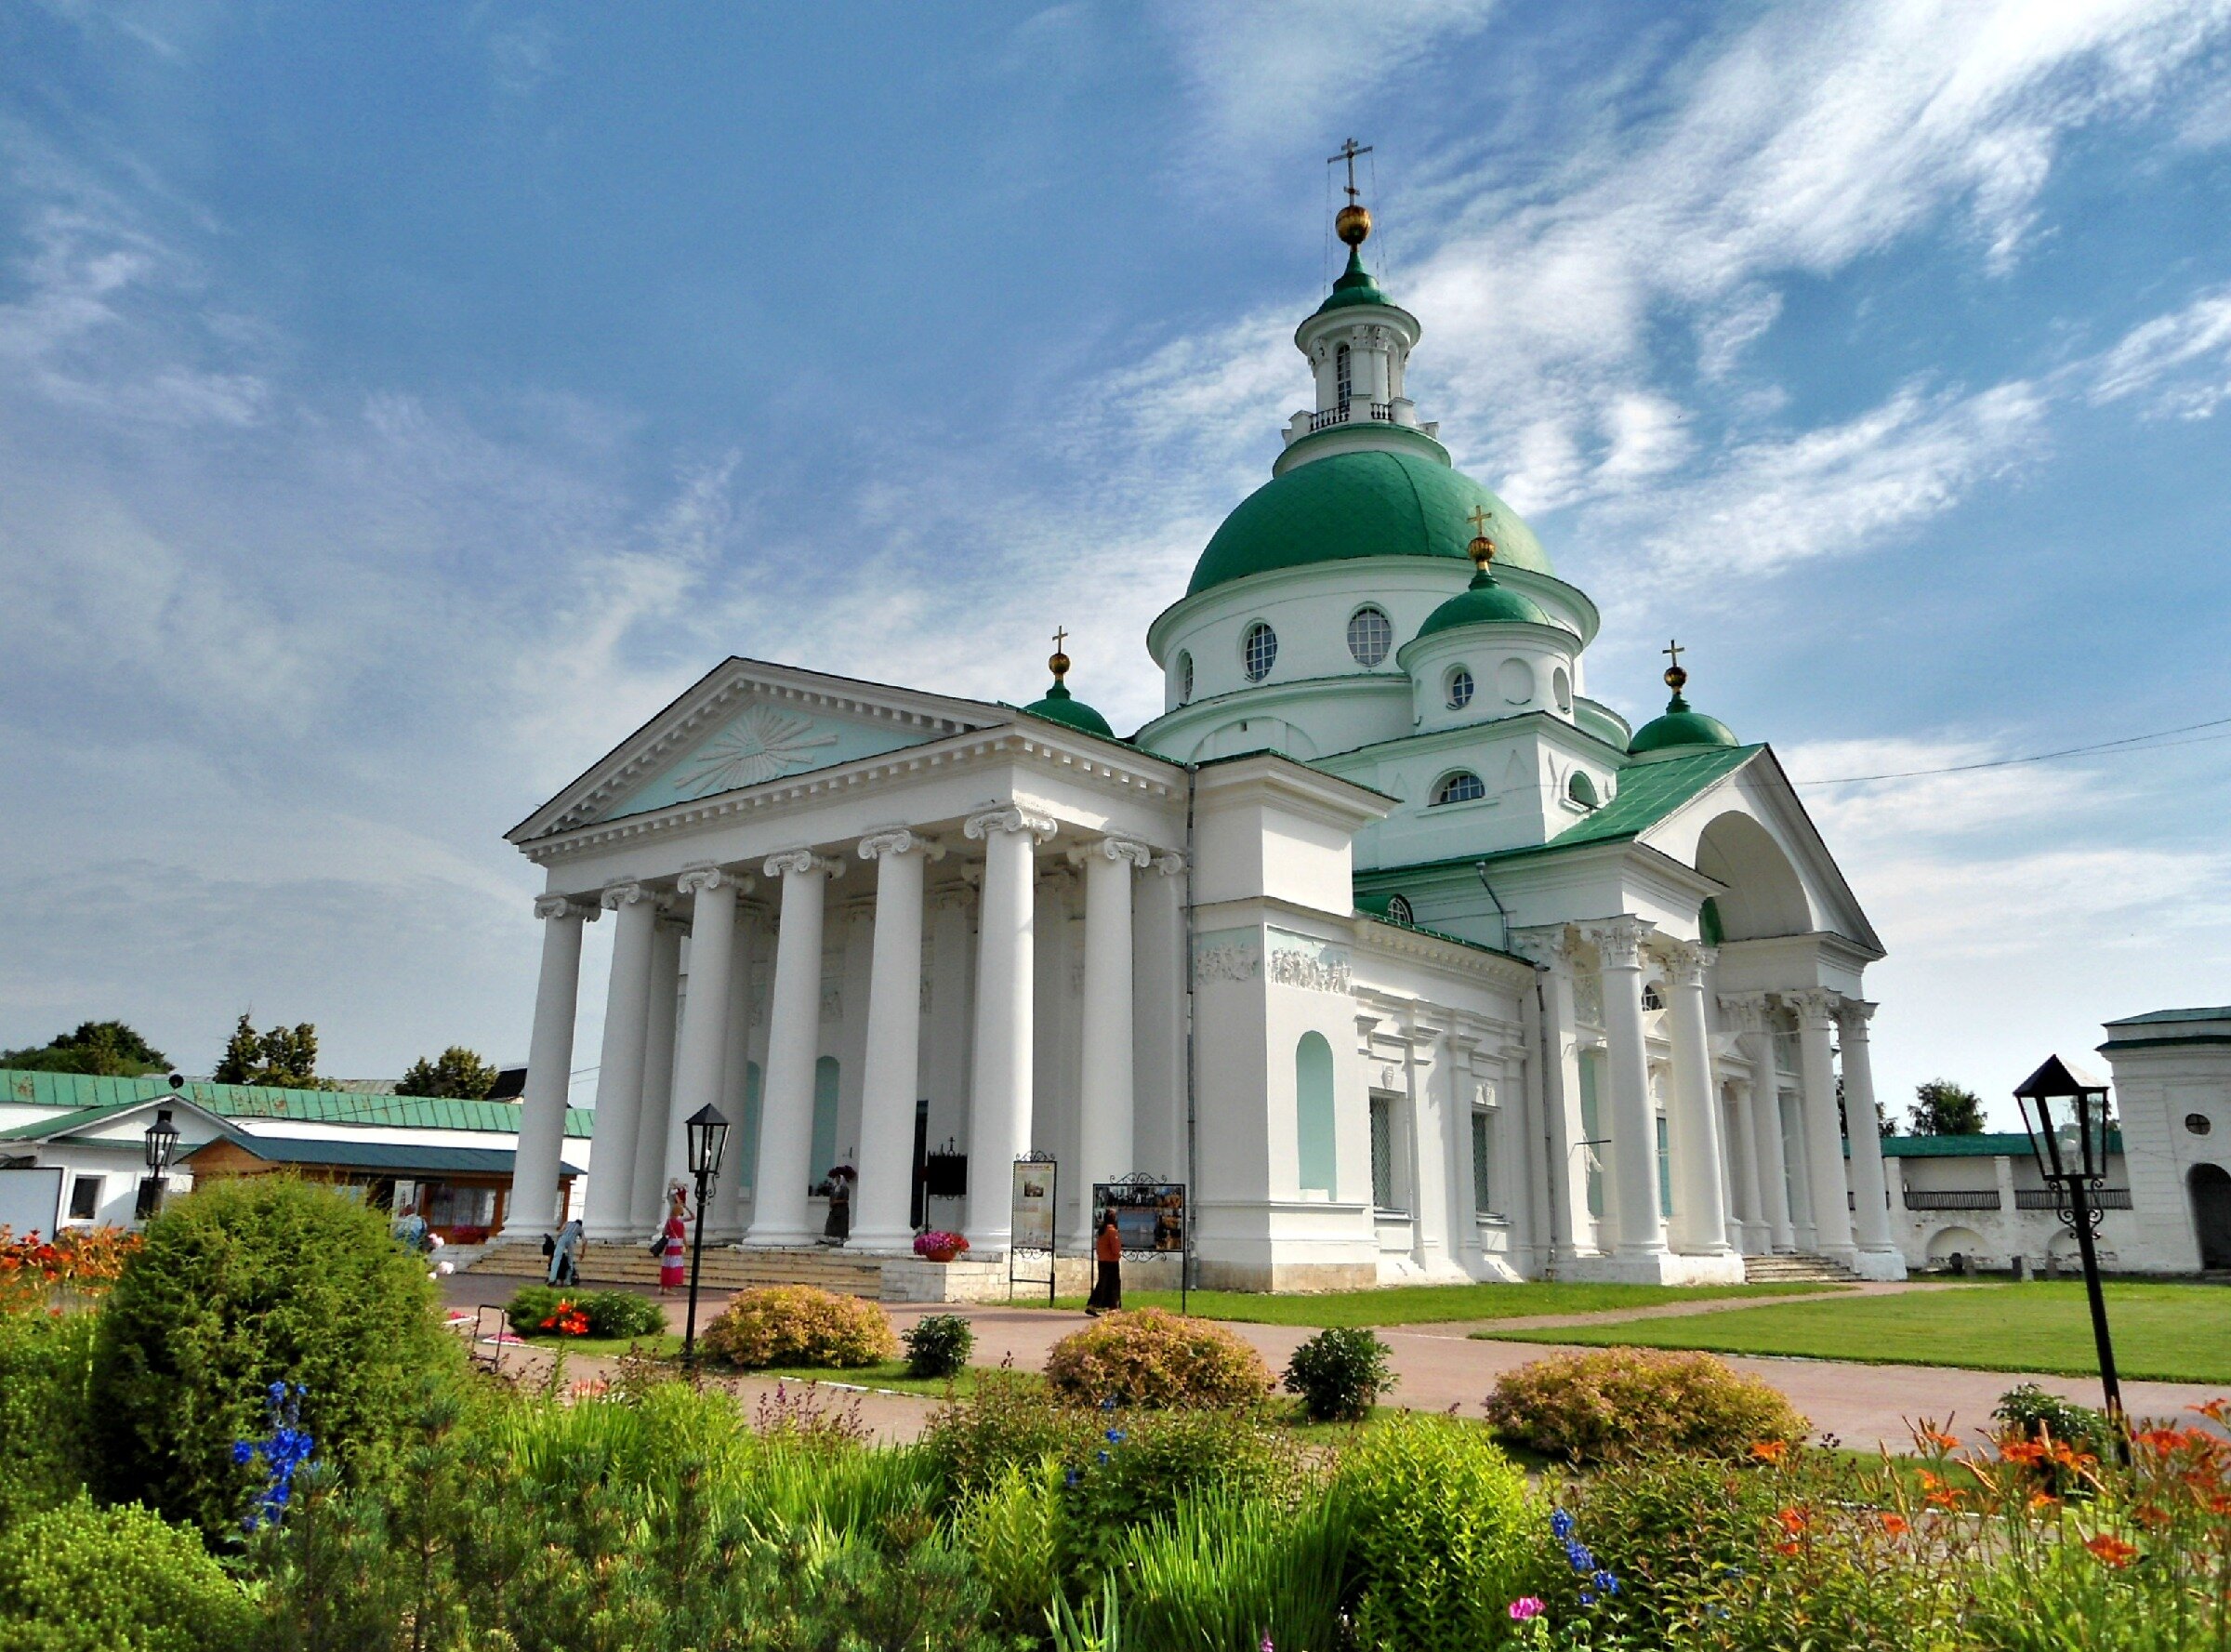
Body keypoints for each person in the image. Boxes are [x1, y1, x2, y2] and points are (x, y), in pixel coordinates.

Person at [1087, 1210, 1122, 1315]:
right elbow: (1116, 1249)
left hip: (1102, 1260)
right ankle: (1113, 1307)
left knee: (1102, 1284)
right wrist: (1119, 1254)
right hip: (1111, 1261)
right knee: (1113, 1284)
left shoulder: (1102, 1231)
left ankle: (1093, 1305)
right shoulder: (1112, 1231)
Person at [658, 1183, 689, 1295]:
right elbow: (684, 1234)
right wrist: (686, 1245)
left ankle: (663, 1286)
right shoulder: (679, 1222)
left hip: (670, 1245)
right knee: (674, 1267)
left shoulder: (670, 1221)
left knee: (667, 1266)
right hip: (677, 1245)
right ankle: (668, 1287)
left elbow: (664, 1232)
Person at [546, 1217, 585, 1288]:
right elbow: (584, 1241)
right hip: (571, 1242)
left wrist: (557, 1243)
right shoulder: (580, 1228)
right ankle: (568, 1281)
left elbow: (560, 1232)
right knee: (570, 1260)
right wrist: (582, 1253)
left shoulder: (567, 1223)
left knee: (556, 1259)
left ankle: (552, 1279)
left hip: (562, 1239)